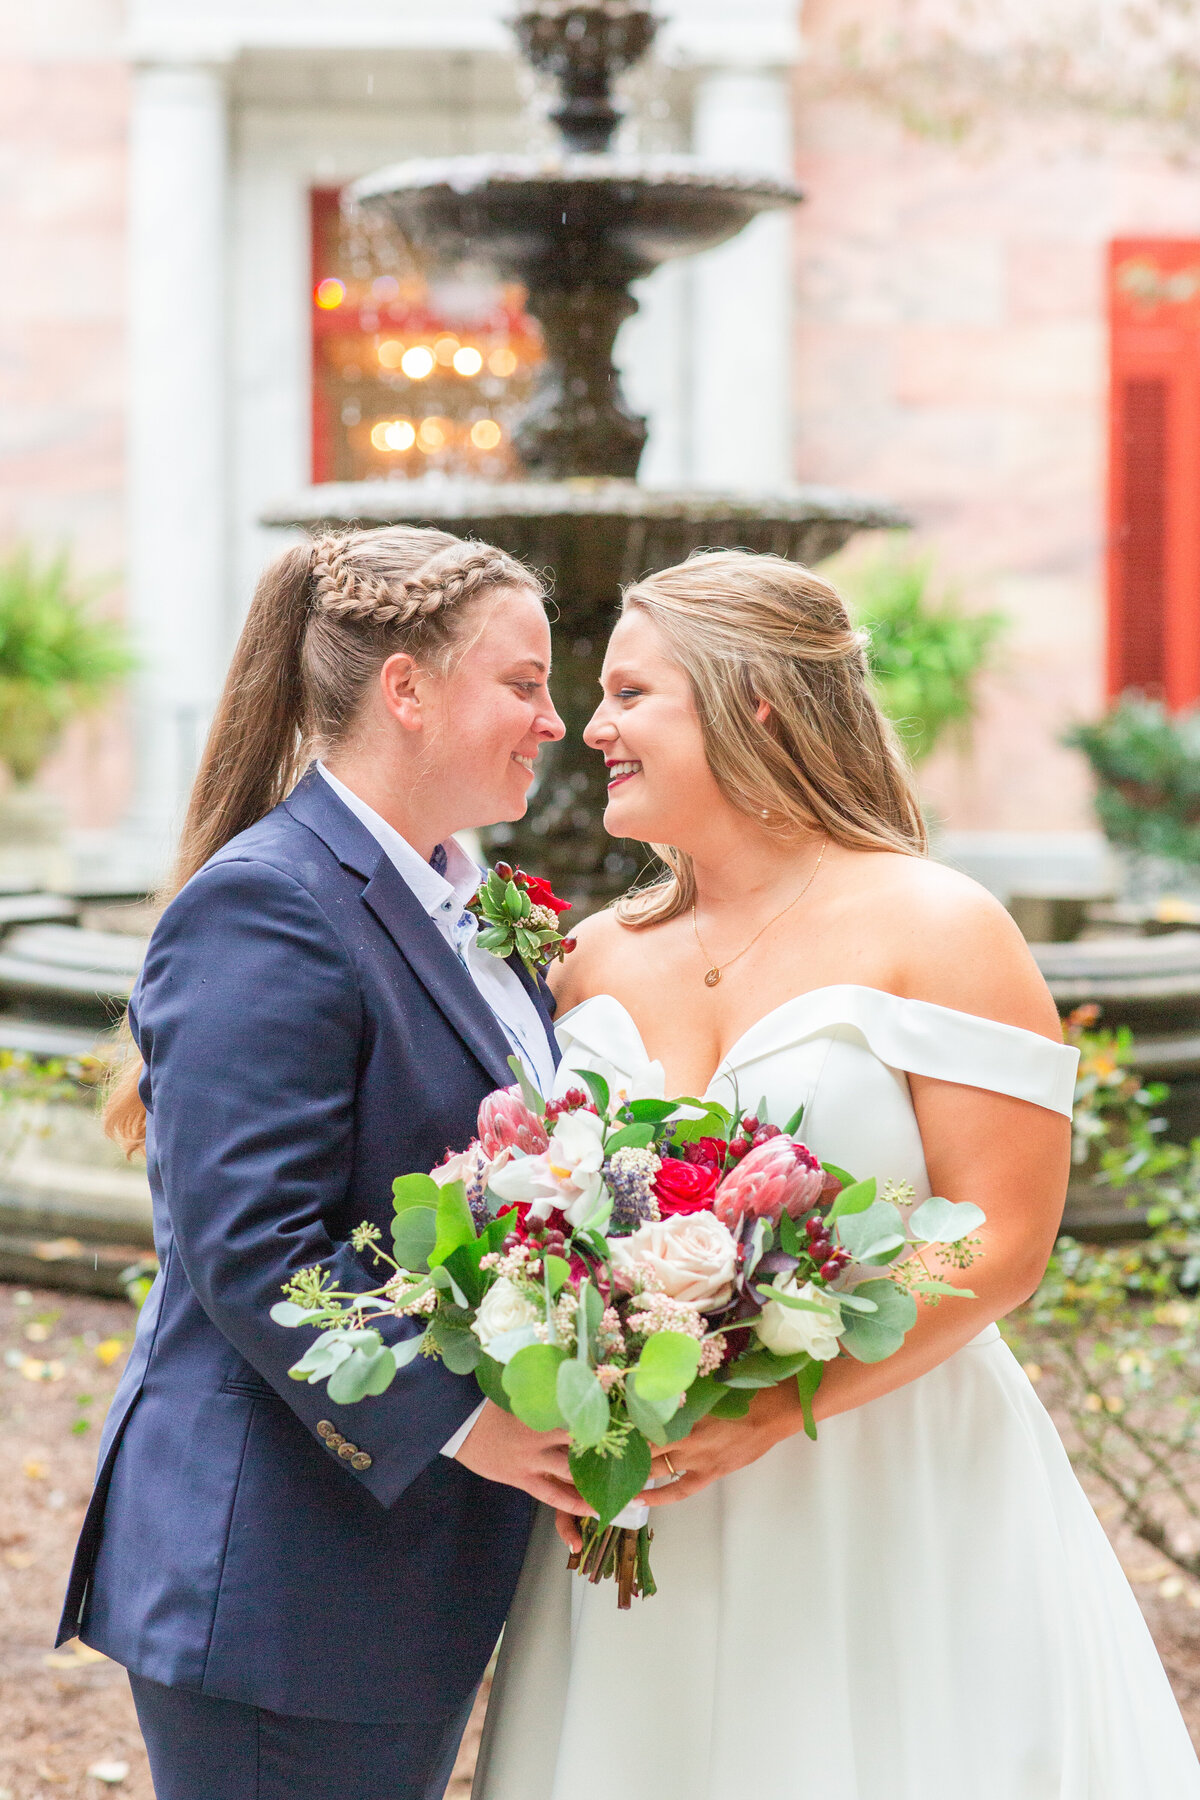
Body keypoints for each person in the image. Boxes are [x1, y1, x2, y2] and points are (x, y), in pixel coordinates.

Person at [472, 549, 1200, 1800]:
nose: (592, 729)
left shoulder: (941, 927)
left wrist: (779, 1397)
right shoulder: (590, 954)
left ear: (752, 704)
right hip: (644, 1487)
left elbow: (1005, 1235)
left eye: (633, 696)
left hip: (885, 1472)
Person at [57, 526, 589, 1800]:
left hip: (389, 1567)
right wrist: (471, 1418)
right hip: (281, 1584)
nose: (557, 722)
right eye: (523, 684)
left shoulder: (472, 897)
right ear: (405, 690)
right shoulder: (271, 903)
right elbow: (255, 1249)